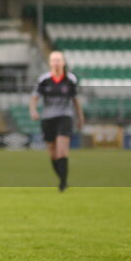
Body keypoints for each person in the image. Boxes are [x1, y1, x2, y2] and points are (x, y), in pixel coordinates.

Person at [29, 50, 84, 191]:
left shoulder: (71, 79)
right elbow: (34, 98)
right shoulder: (43, 79)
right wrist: (33, 110)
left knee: (61, 151)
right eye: (54, 60)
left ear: (63, 62)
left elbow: (76, 100)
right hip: (48, 119)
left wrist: (80, 116)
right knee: (53, 154)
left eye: (59, 60)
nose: (56, 62)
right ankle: (62, 179)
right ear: (50, 62)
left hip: (65, 117)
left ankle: (63, 183)